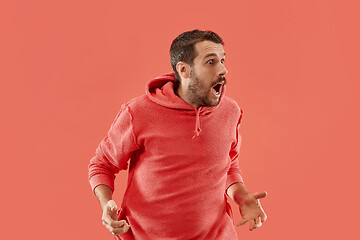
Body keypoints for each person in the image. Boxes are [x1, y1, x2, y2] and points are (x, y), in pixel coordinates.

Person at [88, 29, 267, 240]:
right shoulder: (138, 112)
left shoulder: (230, 111)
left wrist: (242, 197)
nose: (223, 70)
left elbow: (228, 165)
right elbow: (102, 165)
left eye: (222, 60)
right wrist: (106, 203)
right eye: (211, 62)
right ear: (184, 70)